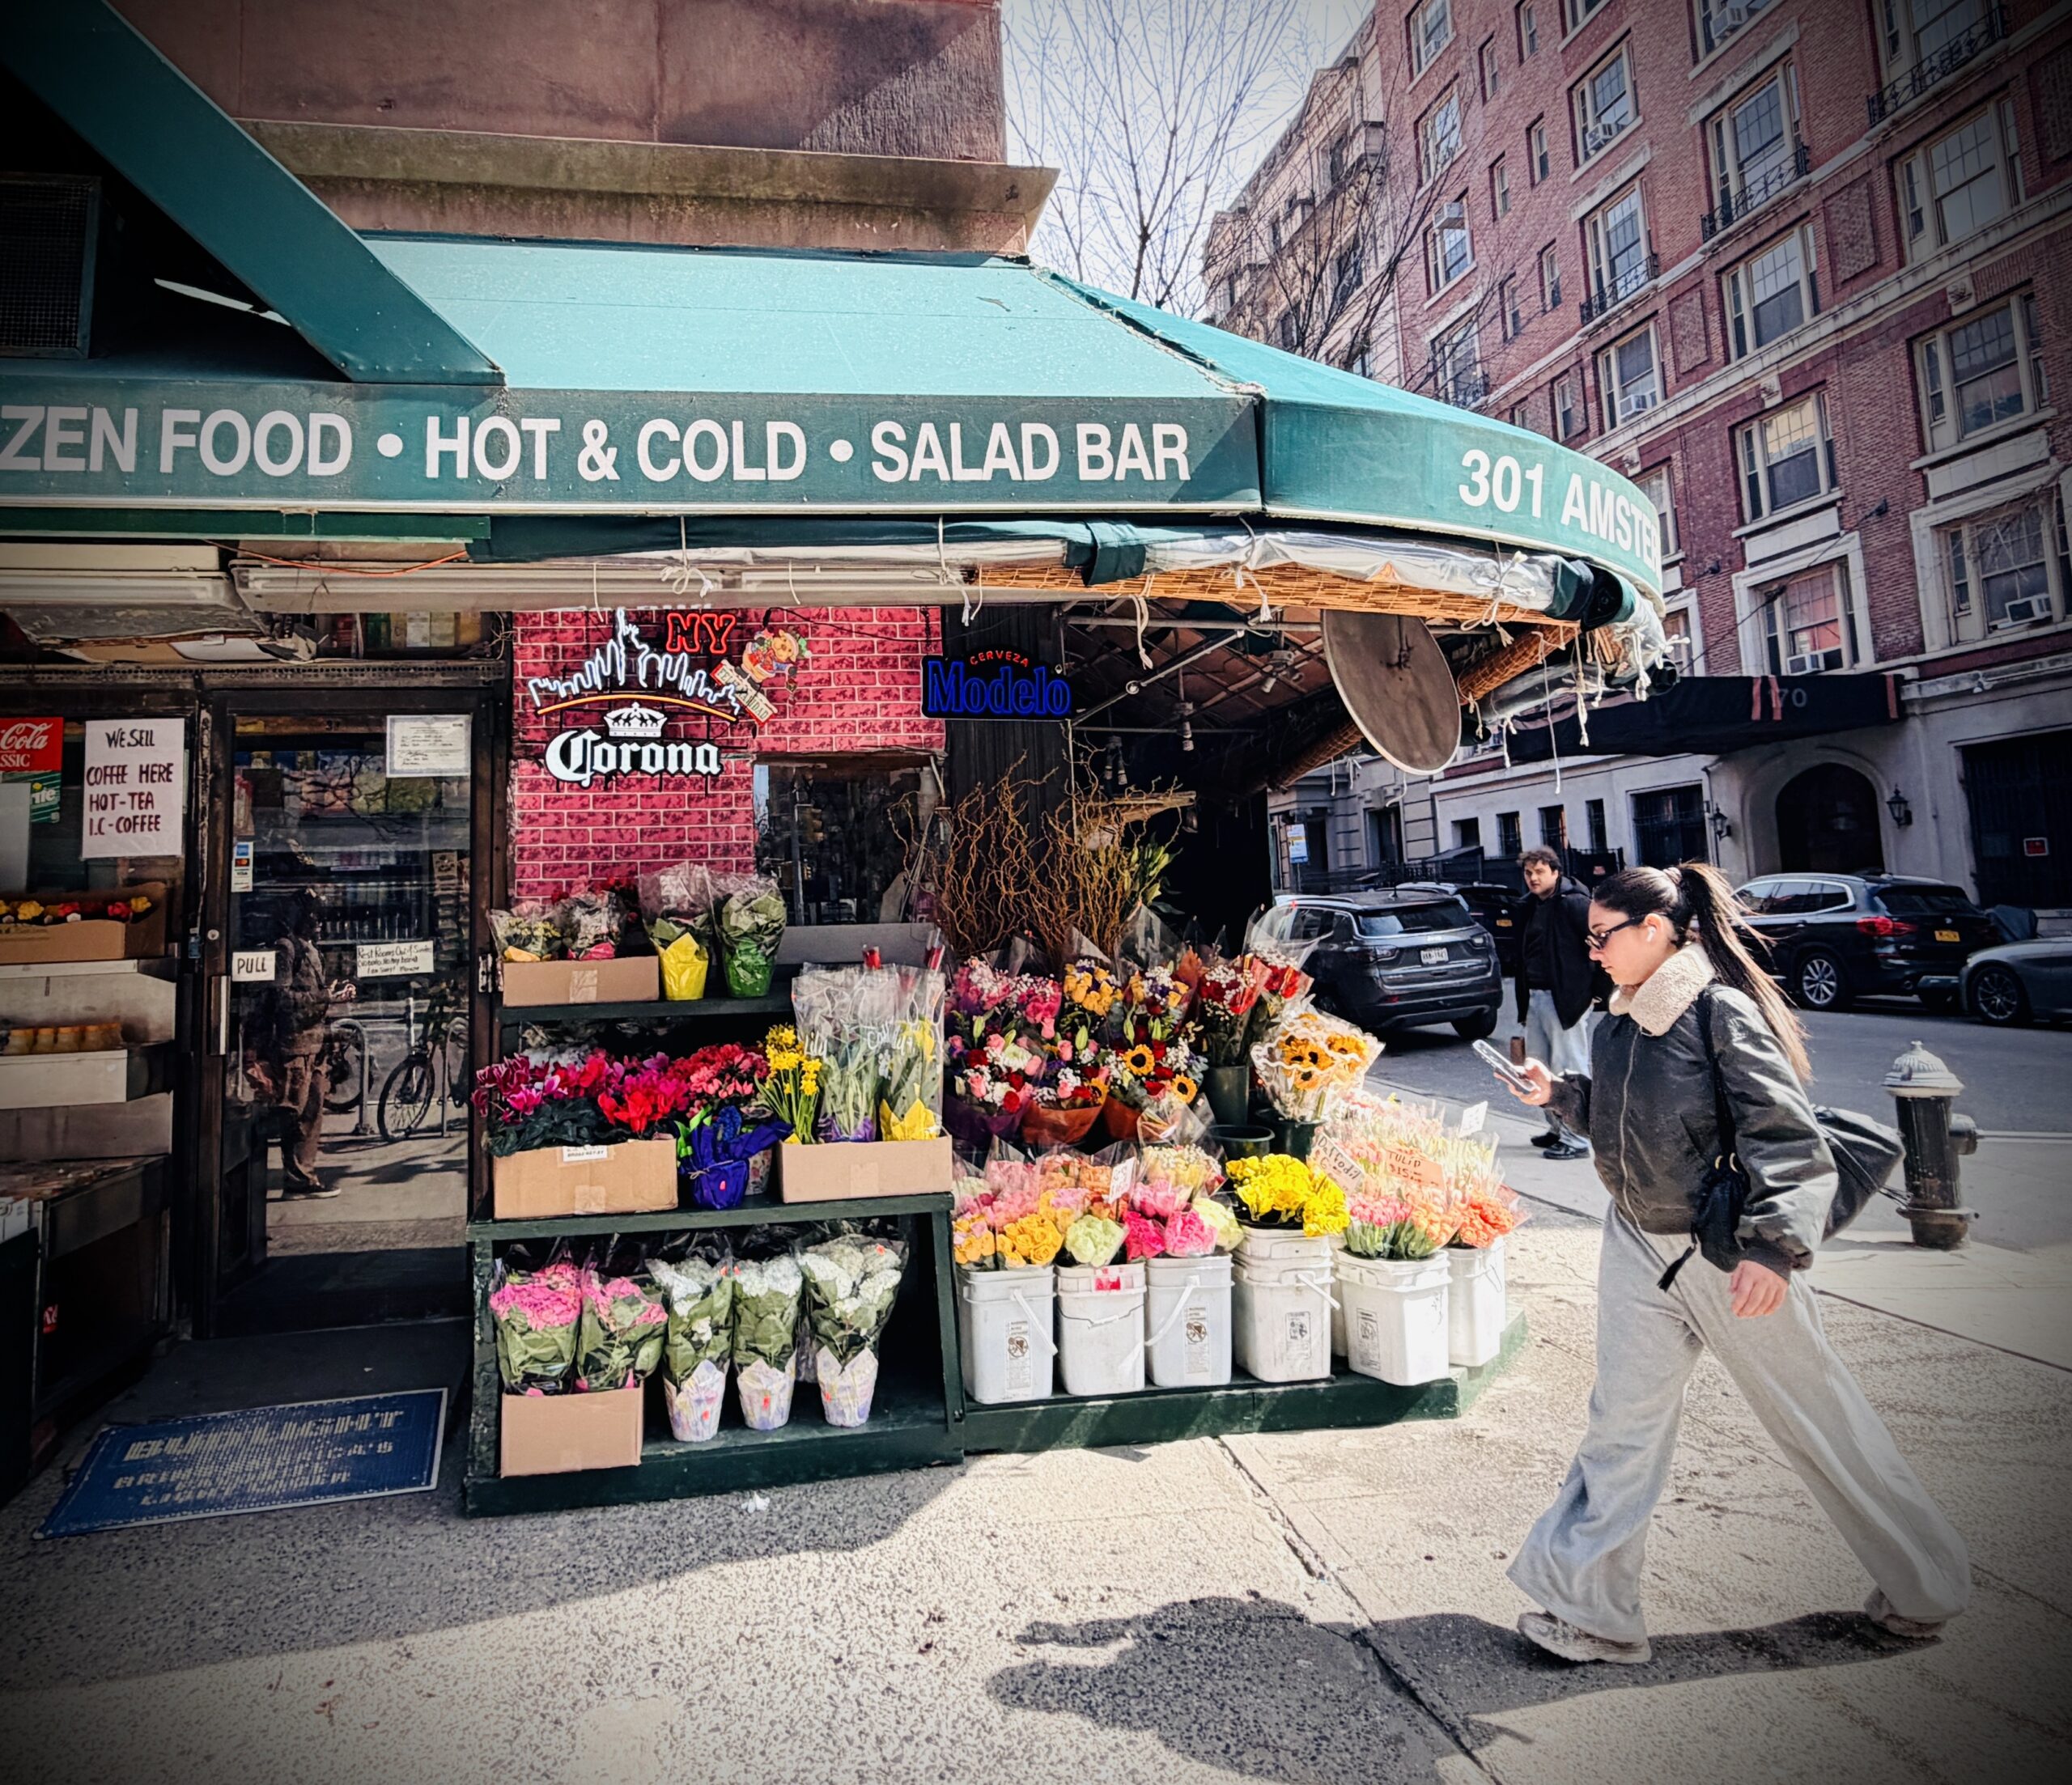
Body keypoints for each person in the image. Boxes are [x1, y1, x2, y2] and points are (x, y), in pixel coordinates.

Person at [1492, 861, 1970, 1664]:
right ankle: (1593, 1613)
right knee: (1620, 1429)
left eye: (1602, 936)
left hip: (1727, 1250)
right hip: (1637, 1241)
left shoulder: (1719, 1012)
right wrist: (1559, 1096)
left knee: (1820, 1419)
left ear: (1654, 930)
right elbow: (1624, 1115)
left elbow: (1786, 1137)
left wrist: (1775, 1252)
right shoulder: (1619, 1022)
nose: (1592, 951)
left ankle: (1925, 1586)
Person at [245, 894, 352, 1199]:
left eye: (320, 916)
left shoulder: (311, 949)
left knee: (312, 1111)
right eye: (313, 916)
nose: (319, 922)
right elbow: (282, 999)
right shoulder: (287, 948)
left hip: (314, 1043)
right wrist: (325, 997)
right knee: (293, 1112)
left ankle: (304, 1174)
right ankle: (295, 1177)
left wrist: (331, 995)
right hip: (294, 1046)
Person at [1511, 847, 1606, 1161]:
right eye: (1528, 873)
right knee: (1538, 1066)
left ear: (1555, 872)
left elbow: (1602, 947)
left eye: (1540, 871)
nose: (1533, 878)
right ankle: (1556, 1128)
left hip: (1566, 998)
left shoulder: (1575, 904)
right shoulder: (1529, 906)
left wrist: (1596, 994)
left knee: (1569, 1066)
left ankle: (1576, 1138)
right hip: (1536, 996)